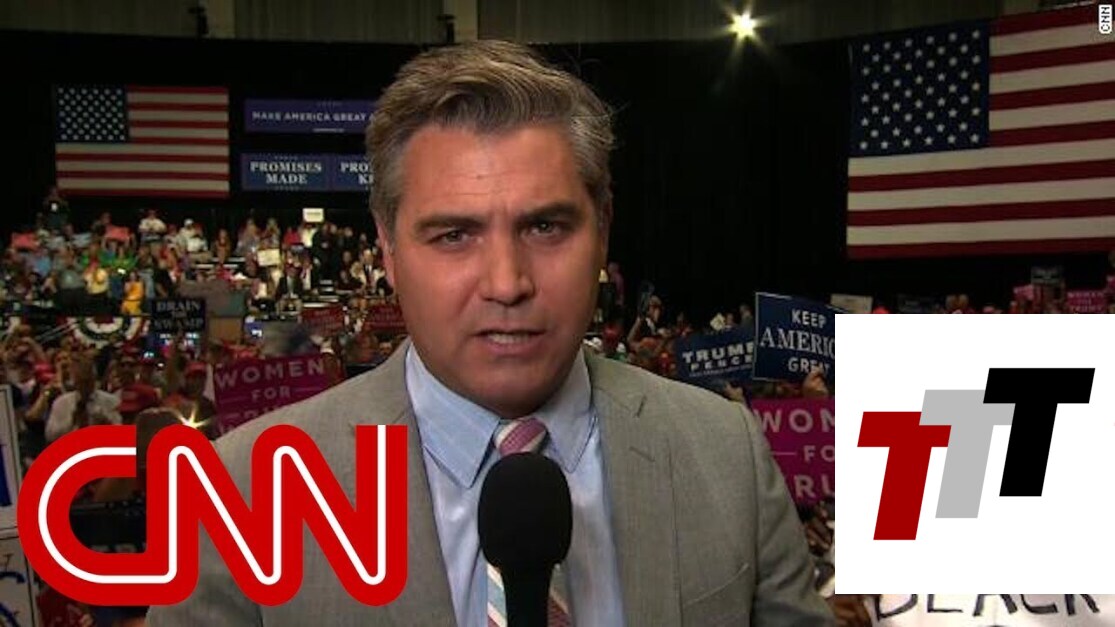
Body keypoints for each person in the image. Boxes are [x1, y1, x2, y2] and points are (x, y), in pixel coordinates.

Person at [147, 41, 831, 626]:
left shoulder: (727, 455)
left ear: (602, 230)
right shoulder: (239, 492)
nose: (506, 282)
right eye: (454, 235)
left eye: (546, 226)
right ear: (388, 249)